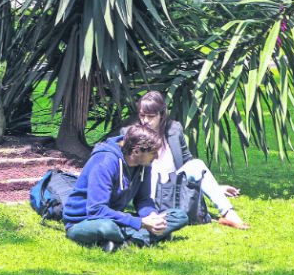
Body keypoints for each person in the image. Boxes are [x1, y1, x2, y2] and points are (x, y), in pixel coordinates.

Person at [62, 124, 189, 252]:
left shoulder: (144, 163)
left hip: (117, 217)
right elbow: (96, 210)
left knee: (179, 216)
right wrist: (141, 223)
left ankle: (122, 241)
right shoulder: (104, 162)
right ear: (136, 151)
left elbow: (143, 199)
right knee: (108, 228)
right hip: (84, 220)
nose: (156, 157)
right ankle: (143, 237)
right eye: (153, 153)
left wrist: (153, 217)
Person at [132, 91, 250, 229]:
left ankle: (228, 213)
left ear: (161, 115)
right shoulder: (135, 134)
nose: (145, 120)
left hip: (174, 186)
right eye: (142, 115)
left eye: (151, 116)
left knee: (196, 164)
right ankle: (154, 214)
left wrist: (215, 188)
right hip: (150, 188)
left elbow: (187, 161)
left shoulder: (174, 130)